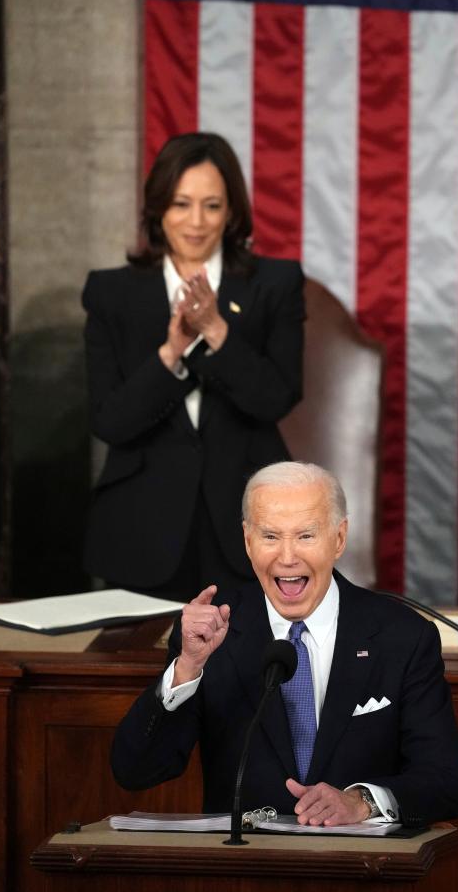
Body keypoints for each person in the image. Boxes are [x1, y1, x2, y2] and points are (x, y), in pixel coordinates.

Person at [111, 462, 458, 827]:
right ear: (248, 541)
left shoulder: (403, 636)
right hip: (242, 870)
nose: (287, 557)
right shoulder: (213, 633)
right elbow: (136, 771)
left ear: (339, 538)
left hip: (361, 871)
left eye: (305, 536)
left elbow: (448, 782)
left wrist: (363, 801)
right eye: (270, 536)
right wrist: (188, 666)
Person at [82, 133, 304, 601]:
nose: (197, 223)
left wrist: (219, 333)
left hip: (249, 526)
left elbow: (276, 397)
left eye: (212, 206)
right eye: (182, 204)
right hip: (142, 528)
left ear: (232, 212)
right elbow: (111, 421)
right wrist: (170, 355)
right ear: (158, 208)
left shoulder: (275, 284)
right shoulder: (111, 294)